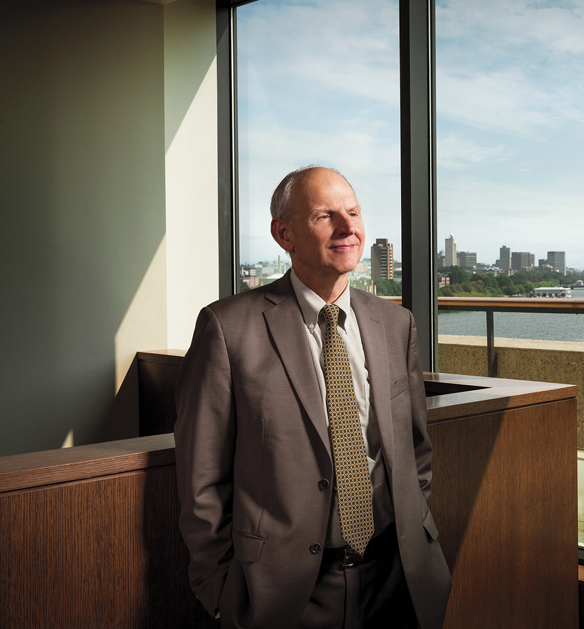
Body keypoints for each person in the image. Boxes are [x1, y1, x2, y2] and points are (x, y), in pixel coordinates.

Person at [174, 166, 451, 629]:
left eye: (354, 212)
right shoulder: (227, 329)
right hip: (285, 592)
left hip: (397, 575)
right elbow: (201, 480)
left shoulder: (395, 324)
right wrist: (220, 591)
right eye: (326, 216)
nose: (348, 228)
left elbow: (414, 450)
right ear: (284, 233)